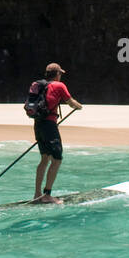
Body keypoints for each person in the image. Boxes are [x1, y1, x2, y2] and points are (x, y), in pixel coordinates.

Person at [33, 62, 82, 204]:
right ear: (57, 74)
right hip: (49, 126)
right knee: (57, 159)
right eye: (60, 73)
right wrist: (79, 106)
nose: (61, 76)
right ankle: (47, 195)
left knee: (44, 159)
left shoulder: (38, 85)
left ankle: (37, 194)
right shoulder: (59, 86)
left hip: (38, 124)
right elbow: (71, 102)